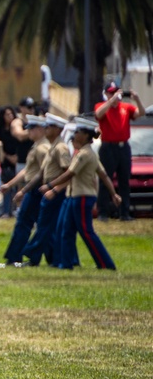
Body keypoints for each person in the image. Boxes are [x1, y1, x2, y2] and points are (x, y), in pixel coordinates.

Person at [44, 116, 120, 270]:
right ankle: (66, 263)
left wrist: (52, 184)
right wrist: (114, 193)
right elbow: (103, 175)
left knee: (86, 232)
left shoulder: (85, 154)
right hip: (75, 196)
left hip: (83, 197)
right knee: (67, 231)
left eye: (78, 131)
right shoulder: (87, 153)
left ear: (85, 135)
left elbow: (70, 174)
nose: (75, 134)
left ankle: (105, 264)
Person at [19, 114, 71, 267]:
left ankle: (31, 254)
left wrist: (54, 189)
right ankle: (51, 259)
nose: (45, 129)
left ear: (57, 129)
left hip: (55, 192)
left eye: (49, 127)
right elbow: (40, 174)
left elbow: (68, 174)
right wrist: (23, 191)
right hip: (48, 190)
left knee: (45, 226)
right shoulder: (52, 146)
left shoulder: (61, 148)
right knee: (48, 227)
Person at [0, 115, 49, 267]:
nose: (29, 133)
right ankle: (41, 257)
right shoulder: (37, 146)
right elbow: (28, 170)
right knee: (37, 225)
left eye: (31, 129)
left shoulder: (42, 149)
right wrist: (10, 184)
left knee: (24, 223)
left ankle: (15, 257)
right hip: (33, 189)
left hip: (36, 190)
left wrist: (24, 190)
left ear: (40, 129)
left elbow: (42, 173)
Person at [95, 82, 145, 221]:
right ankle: (103, 212)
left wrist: (137, 99)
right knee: (106, 179)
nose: (115, 95)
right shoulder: (102, 106)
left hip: (123, 148)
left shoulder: (126, 107)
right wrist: (111, 101)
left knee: (124, 181)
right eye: (112, 92)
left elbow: (140, 113)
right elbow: (98, 114)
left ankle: (124, 213)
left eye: (117, 92)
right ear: (107, 94)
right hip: (108, 147)